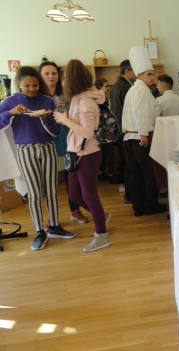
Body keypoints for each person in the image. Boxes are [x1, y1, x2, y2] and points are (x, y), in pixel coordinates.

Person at [0, 66, 75, 250]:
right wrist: (10, 113)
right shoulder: (10, 101)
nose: (31, 89)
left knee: (51, 190)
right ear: (19, 83)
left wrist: (45, 117)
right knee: (33, 193)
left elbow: (56, 131)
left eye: (34, 85)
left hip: (48, 147)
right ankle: (39, 231)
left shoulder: (47, 100)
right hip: (25, 149)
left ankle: (55, 226)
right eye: (27, 85)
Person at [54, 59, 112, 252]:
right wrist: (64, 118)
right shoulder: (78, 99)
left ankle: (102, 235)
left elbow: (87, 132)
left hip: (87, 153)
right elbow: (79, 127)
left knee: (89, 195)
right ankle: (100, 216)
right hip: (77, 151)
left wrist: (65, 119)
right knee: (75, 194)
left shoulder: (86, 101)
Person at [39, 61, 89, 226]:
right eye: (47, 73)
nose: (51, 76)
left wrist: (65, 112)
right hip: (45, 140)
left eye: (54, 73)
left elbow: (76, 117)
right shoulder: (36, 95)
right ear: (41, 76)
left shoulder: (67, 93)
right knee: (49, 180)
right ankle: (51, 217)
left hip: (66, 139)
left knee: (71, 177)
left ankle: (75, 210)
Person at [122, 46, 167, 217]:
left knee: (135, 174)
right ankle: (150, 204)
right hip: (141, 137)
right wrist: (143, 134)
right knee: (148, 173)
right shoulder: (141, 89)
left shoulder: (134, 89)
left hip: (130, 137)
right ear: (139, 75)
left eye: (153, 74)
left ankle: (138, 206)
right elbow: (140, 113)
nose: (152, 77)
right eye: (149, 74)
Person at [110, 59, 135, 202]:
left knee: (124, 162)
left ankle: (126, 189)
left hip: (119, 129)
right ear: (127, 71)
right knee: (129, 163)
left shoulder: (116, 86)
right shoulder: (126, 87)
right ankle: (129, 194)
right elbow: (129, 111)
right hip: (126, 130)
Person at [95, 78, 120, 185]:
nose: (108, 88)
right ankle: (111, 174)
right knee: (110, 151)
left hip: (102, 129)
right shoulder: (100, 98)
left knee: (105, 152)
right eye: (105, 86)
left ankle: (101, 173)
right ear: (100, 87)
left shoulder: (102, 98)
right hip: (104, 130)